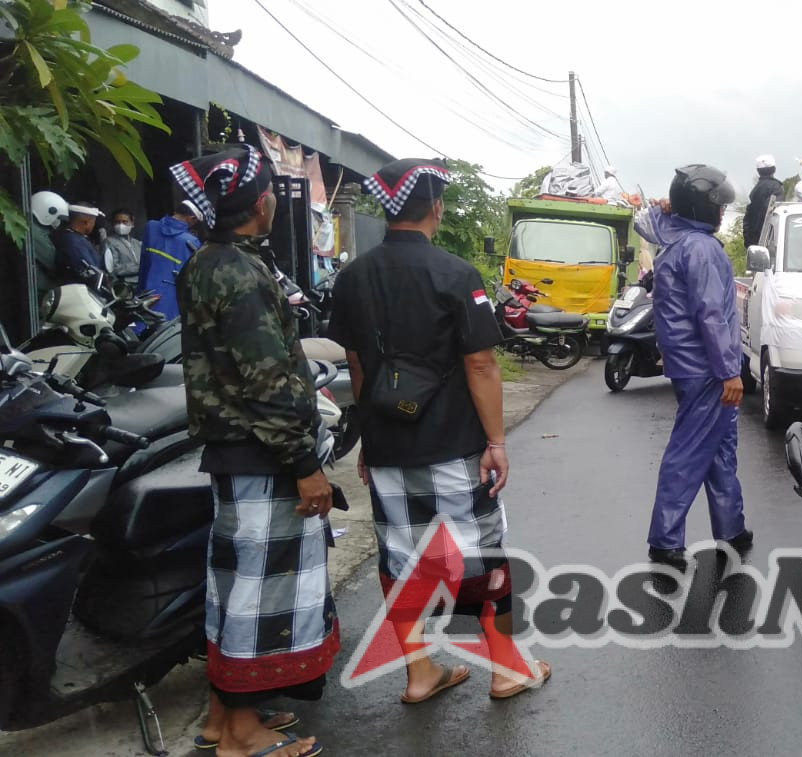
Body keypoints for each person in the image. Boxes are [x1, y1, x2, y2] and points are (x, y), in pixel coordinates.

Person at [328, 158, 550, 702]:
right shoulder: (455, 274)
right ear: (436, 208)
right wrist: (496, 442)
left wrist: (369, 437)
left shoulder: (352, 277)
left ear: (387, 209)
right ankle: (505, 669)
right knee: (482, 557)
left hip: (388, 445)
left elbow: (357, 366)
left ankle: (420, 672)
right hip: (453, 445)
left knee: (400, 557)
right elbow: (480, 366)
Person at [173, 144, 333, 757]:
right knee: (257, 592)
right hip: (259, 452)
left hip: (232, 449)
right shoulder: (240, 273)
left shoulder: (206, 262)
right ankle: (241, 736)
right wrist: (304, 464)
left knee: (231, 584)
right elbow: (265, 379)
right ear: (261, 203)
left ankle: (221, 717)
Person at [640, 164, 752, 568]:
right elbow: (711, 317)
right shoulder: (701, 249)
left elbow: (647, 220)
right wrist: (729, 371)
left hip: (691, 365)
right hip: (706, 369)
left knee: (720, 449)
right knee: (688, 454)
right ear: (701, 207)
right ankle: (665, 541)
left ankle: (731, 529)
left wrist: (663, 208)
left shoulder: (674, 237)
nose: (721, 213)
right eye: (716, 205)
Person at [139, 201, 202, 323]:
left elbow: (144, 263)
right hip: (172, 301)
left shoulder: (150, 227)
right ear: (191, 218)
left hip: (144, 294)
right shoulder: (191, 242)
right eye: (194, 223)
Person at [57, 203, 104, 285]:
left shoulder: (75, 237)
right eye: (93, 221)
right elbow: (90, 272)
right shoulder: (75, 242)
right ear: (87, 222)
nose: (94, 225)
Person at [743, 154, 783, 247]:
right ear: (774, 169)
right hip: (769, 242)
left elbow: (747, 218)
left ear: (758, 171)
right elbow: (774, 214)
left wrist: (749, 242)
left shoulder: (754, 191)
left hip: (754, 242)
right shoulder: (776, 187)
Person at [104, 208, 142, 288]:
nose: (121, 225)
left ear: (132, 223)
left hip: (141, 284)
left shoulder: (137, 243)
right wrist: (140, 267)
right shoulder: (109, 242)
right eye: (117, 222)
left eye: (125, 222)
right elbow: (113, 269)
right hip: (125, 287)